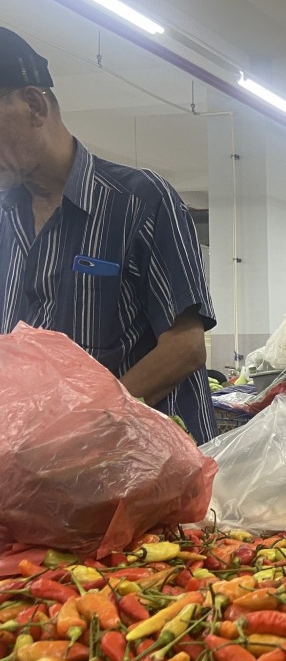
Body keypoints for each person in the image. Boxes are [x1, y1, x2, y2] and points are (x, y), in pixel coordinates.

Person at [0, 28, 217, 443]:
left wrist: (82, 426)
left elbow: (185, 348)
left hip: (146, 465)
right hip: (40, 466)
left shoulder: (139, 201)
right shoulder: (5, 218)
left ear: (33, 104)